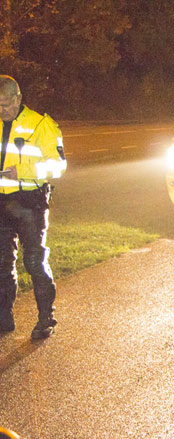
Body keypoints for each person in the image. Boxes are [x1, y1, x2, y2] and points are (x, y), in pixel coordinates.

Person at [0, 75, 66, 338]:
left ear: (18, 98)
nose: (1, 110)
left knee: (33, 261)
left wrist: (24, 170)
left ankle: (45, 319)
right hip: (2, 203)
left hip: (29, 203)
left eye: (5, 104)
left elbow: (59, 166)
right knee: (2, 263)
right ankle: (4, 318)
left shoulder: (42, 125)